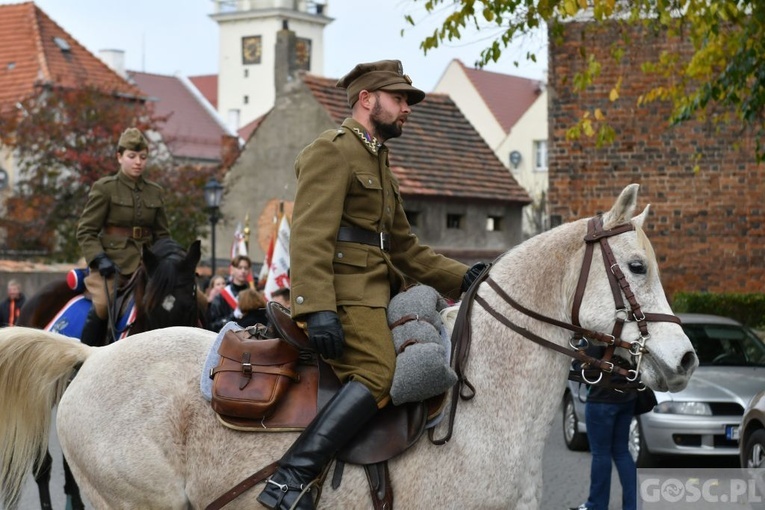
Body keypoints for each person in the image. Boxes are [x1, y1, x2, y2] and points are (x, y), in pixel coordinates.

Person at [256, 59, 487, 510]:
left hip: (379, 295)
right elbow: (309, 234)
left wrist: (467, 275)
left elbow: (406, 249)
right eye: (399, 99)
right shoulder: (333, 150)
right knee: (380, 372)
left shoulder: (378, 162)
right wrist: (316, 306)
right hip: (346, 297)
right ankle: (291, 478)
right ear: (367, 100)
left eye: (406, 101)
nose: (406, 109)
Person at [76, 127, 170, 346]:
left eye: (143, 157)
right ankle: (83, 358)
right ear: (119, 157)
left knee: (191, 298)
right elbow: (86, 230)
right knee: (101, 304)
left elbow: (163, 235)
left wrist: (169, 262)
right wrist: (99, 258)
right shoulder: (105, 188)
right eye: (132, 156)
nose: (138, 162)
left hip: (147, 265)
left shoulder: (155, 192)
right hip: (112, 266)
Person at [570, 346, 637, 510]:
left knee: (601, 453)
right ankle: (633, 505)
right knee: (621, 452)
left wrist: (577, 360)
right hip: (627, 397)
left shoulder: (600, 335)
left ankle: (596, 505)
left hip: (601, 400)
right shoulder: (631, 332)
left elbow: (586, 369)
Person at [207, 255, 252, 331]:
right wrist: (233, 316)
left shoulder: (253, 296)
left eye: (246, 268)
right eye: (239, 268)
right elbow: (213, 326)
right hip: (228, 339)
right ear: (232, 269)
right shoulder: (221, 297)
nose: (243, 271)